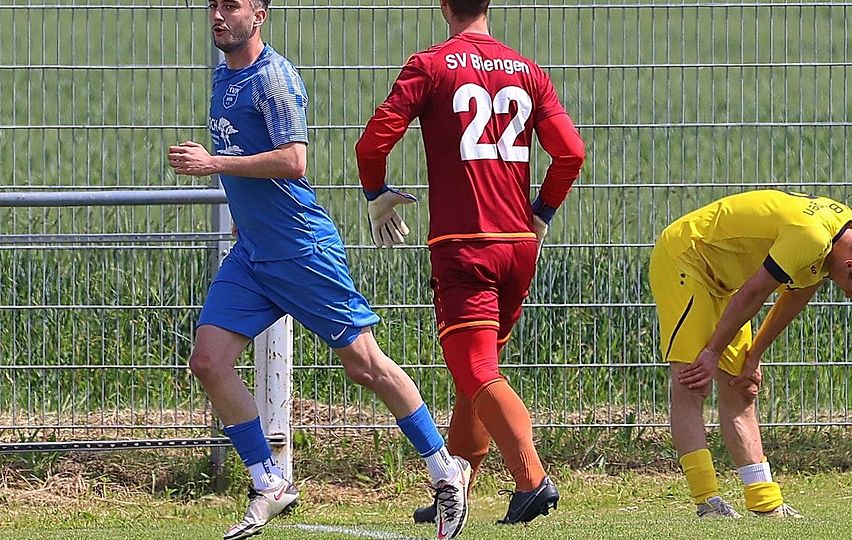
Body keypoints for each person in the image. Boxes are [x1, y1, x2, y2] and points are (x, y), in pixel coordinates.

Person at [166, 1, 470, 538]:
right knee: (209, 361)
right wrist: (245, 216)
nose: (217, 15)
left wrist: (213, 164)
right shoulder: (222, 76)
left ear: (258, 15)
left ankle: (446, 469)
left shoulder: (275, 78)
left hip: (302, 251)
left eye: (230, 6)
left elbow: (293, 160)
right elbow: (252, 163)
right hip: (254, 254)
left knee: (365, 365)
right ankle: (269, 482)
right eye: (212, 5)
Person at [354, 0, 585, 525]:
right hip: (518, 245)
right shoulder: (528, 70)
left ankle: (533, 481)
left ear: (442, 6)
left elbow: (371, 145)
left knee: (476, 370)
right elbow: (571, 152)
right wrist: (542, 210)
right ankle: (456, 487)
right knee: (476, 374)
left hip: (466, 246)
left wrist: (377, 195)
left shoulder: (430, 65)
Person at [649, 189, 852, 519]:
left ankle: (765, 502)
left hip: (729, 284)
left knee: (740, 387)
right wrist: (712, 352)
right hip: (686, 258)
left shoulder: (848, 234)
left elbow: (795, 298)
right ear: (851, 265)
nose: (846, 295)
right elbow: (757, 291)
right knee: (692, 382)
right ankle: (707, 501)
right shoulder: (811, 236)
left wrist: (753, 357)